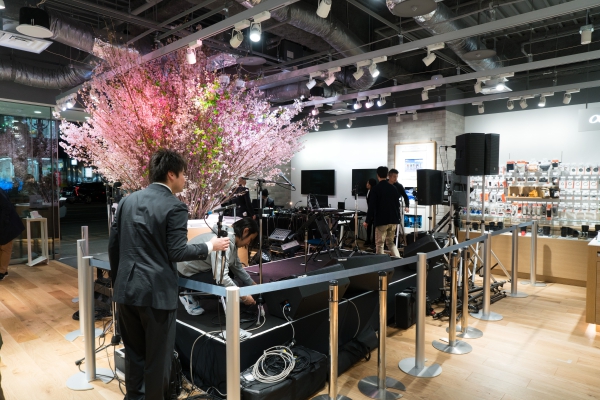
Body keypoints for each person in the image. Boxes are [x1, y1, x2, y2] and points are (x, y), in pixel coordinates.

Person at [108, 149, 229, 400]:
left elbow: (114, 246)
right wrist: (210, 246)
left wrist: (118, 282)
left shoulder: (127, 201)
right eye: (183, 174)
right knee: (158, 360)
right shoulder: (175, 206)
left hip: (126, 290)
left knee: (134, 355)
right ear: (171, 174)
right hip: (157, 294)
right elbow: (177, 251)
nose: (185, 179)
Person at [178, 217, 258, 314]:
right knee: (231, 285)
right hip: (186, 273)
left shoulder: (230, 237)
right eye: (250, 239)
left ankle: (223, 295)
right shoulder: (223, 241)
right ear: (245, 231)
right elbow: (222, 277)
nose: (248, 243)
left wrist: (253, 284)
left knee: (230, 274)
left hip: (197, 267)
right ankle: (187, 292)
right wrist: (242, 296)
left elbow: (236, 266)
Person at [363, 166, 400, 257]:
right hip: (393, 220)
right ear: (387, 175)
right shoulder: (393, 188)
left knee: (379, 244)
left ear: (377, 175)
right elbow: (397, 205)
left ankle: (381, 265)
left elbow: (371, 206)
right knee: (390, 243)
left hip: (381, 221)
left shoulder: (375, 189)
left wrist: (367, 221)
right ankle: (399, 260)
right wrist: (397, 218)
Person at [0, 189, 25, 281]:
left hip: (6, 224)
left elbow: (6, 208)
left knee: (5, 247)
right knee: (3, 247)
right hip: (4, 223)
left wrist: (3, 223)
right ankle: (3, 270)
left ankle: (2, 271)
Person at [364, 178, 378, 247]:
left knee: (374, 228)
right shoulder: (368, 191)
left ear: (371, 184)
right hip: (370, 210)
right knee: (369, 226)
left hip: (374, 212)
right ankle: (368, 240)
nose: (367, 184)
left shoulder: (373, 192)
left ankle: (373, 242)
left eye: (368, 183)